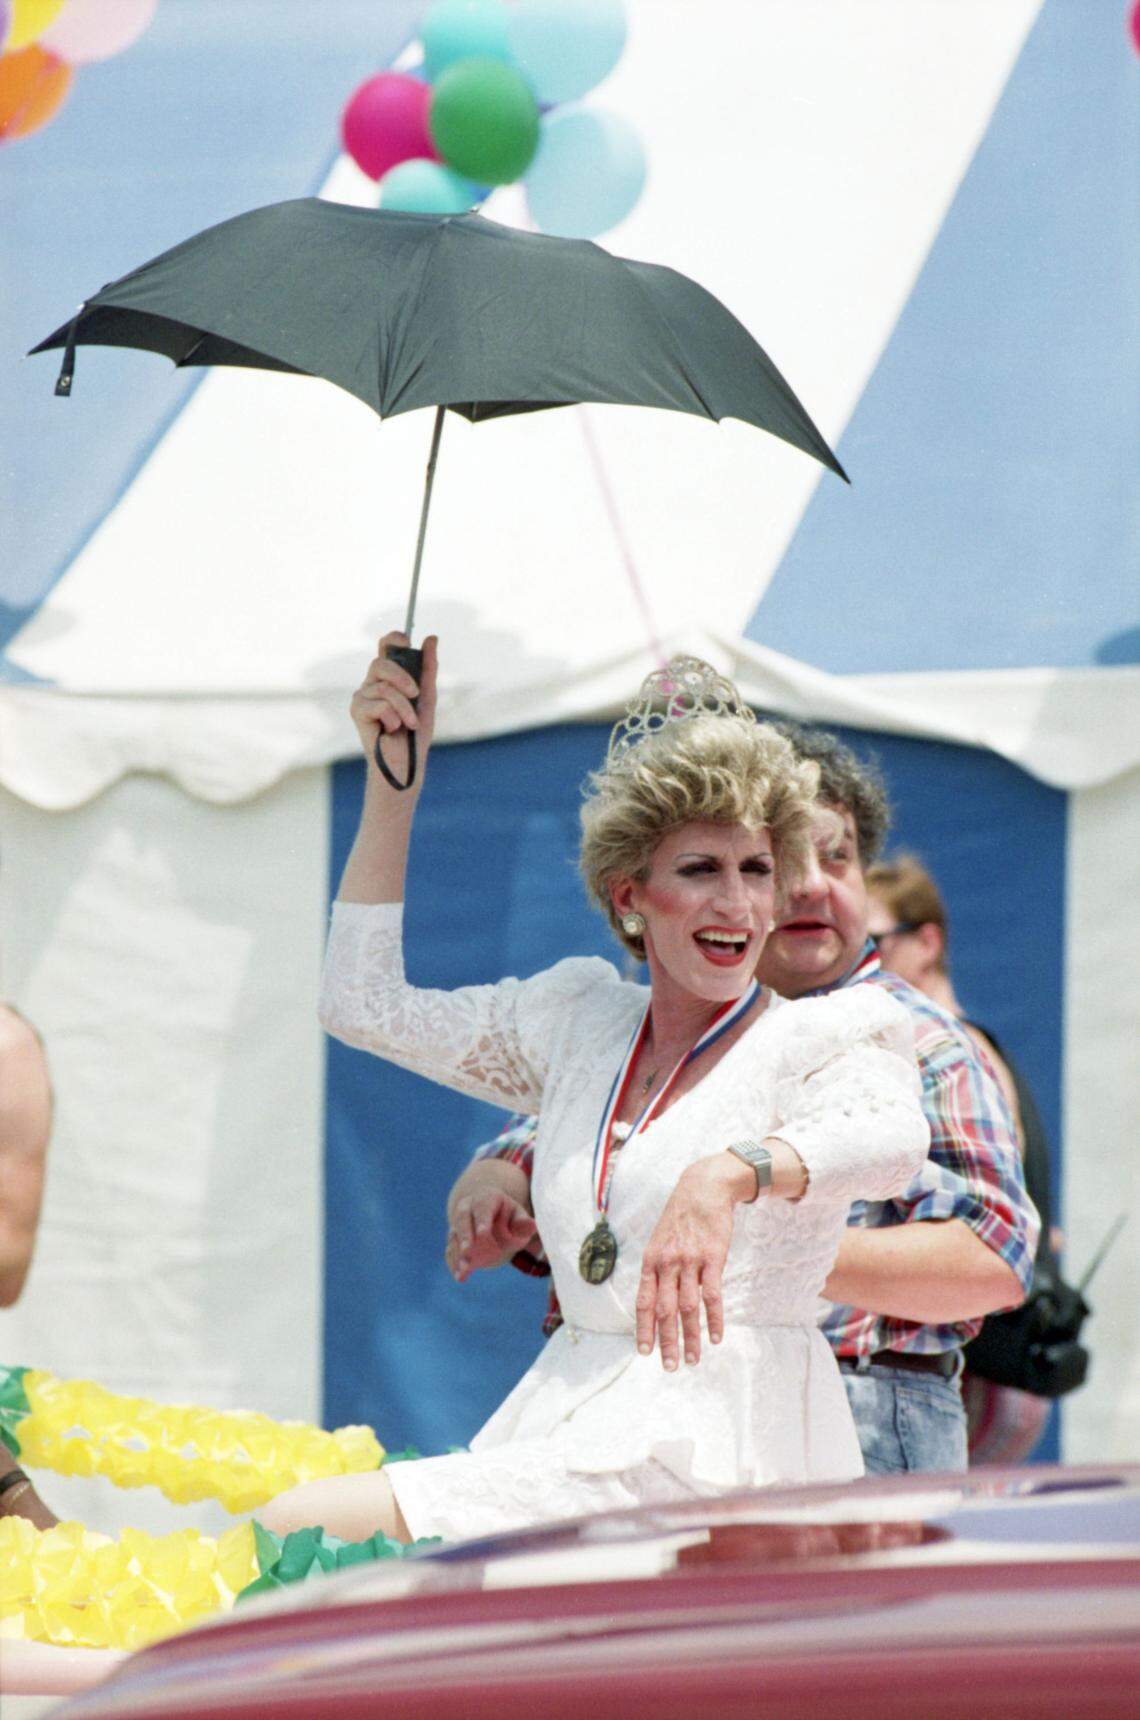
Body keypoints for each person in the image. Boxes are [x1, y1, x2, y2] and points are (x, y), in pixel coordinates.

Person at [261, 646, 929, 1544]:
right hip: (577, 1429)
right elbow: (362, 1005)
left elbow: (891, 1138)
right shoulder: (580, 1021)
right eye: (700, 869)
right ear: (631, 899)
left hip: (726, 1460)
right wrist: (394, 791)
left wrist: (730, 1173)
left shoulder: (823, 1033)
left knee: (313, 1521)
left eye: (757, 869)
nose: (736, 901)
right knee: (323, 1539)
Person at [453, 725, 1040, 1477]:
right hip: (650, 1405)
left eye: (840, 857)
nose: (813, 885)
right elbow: (558, 1140)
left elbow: (991, 1261)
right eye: (782, 862)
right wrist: (494, 1180)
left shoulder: (922, 1038)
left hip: (860, 1410)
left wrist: (753, 1256)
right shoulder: (651, 1023)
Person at [865, 853, 1055, 1463]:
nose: (860, 955)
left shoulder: (950, 1050)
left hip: (977, 1364)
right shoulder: (979, 1045)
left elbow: (993, 1218)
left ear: (926, 942)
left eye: (875, 939)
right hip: (999, 1363)